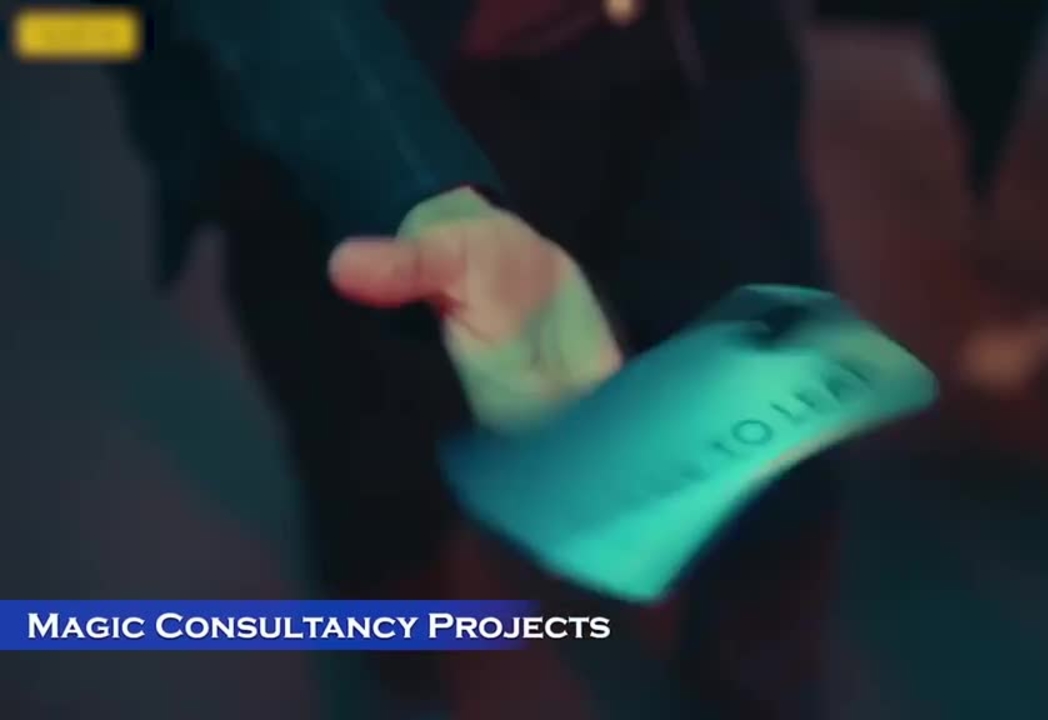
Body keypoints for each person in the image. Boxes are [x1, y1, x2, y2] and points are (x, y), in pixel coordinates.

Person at [101, 0, 835, 717]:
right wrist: (415, 188)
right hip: (370, 80)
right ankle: (394, 606)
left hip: (686, 50)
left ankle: (756, 633)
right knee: (368, 437)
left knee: (767, 381)